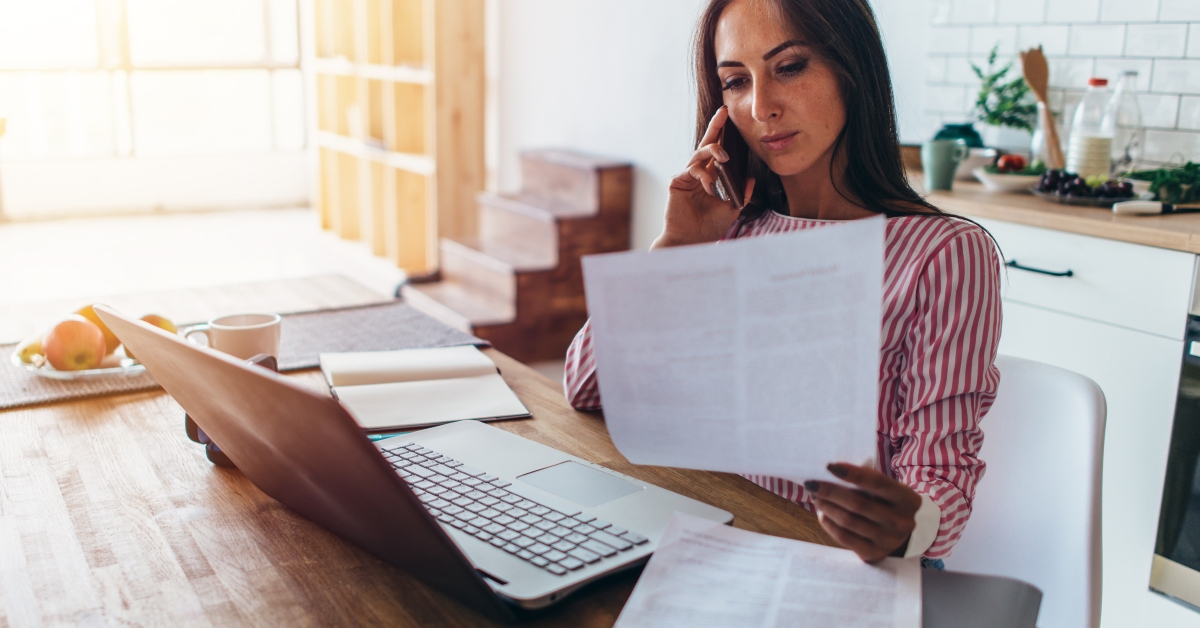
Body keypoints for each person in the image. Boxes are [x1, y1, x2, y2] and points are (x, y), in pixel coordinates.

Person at [563, 0, 1002, 565]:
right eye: (736, 80)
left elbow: (940, 482)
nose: (761, 106)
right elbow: (587, 389)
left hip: (849, 567)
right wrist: (676, 252)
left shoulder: (945, 253)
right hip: (726, 540)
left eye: (790, 67)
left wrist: (903, 527)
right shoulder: (728, 229)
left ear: (853, 69)